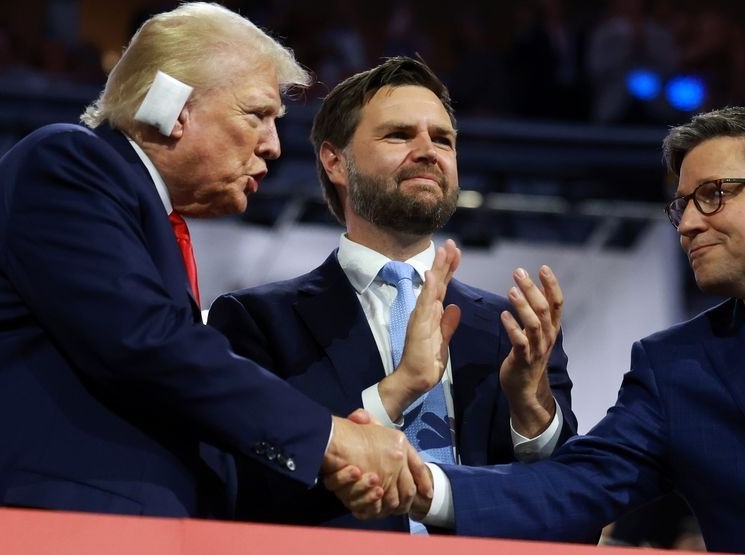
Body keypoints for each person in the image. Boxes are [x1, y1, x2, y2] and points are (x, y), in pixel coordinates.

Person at [336, 106, 745, 552]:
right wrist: (429, 487)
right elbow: (576, 486)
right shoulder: (676, 368)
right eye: (682, 205)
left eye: (712, 196)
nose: (687, 224)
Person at [0, 3, 446, 519]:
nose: (273, 146)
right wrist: (331, 439)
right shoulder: (68, 163)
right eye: (257, 115)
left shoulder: (150, 226)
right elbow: (148, 344)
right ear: (174, 107)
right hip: (35, 526)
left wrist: (369, 416)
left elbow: (193, 414)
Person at [207, 56, 577, 532]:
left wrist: (531, 406)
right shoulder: (257, 322)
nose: (428, 151)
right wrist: (397, 390)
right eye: (399, 135)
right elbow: (245, 489)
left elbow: (572, 506)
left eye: (442, 139)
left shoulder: (515, 329)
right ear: (335, 161)